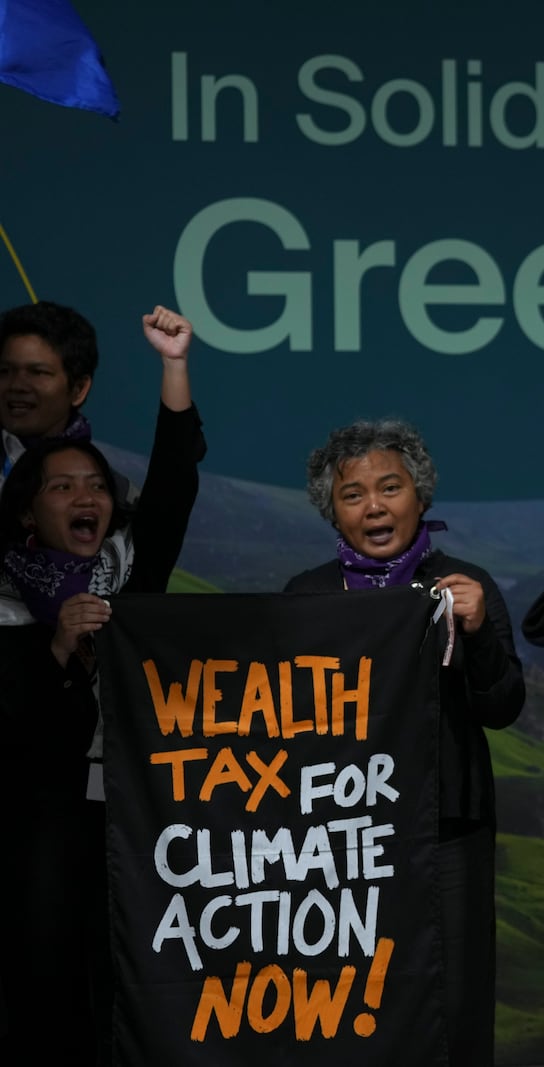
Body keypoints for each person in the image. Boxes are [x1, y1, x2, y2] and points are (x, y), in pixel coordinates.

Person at [284, 419, 525, 1066]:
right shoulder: (306, 596)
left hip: (447, 828)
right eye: (353, 494)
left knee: (455, 996)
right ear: (332, 512)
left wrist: (475, 633)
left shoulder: (464, 586)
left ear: (420, 496)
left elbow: (502, 706)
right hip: (337, 835)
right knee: (349, 994)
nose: (375, 506)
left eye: (390, 487)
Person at [0, 305, 203, 1063]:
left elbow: (176, 481)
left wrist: (174, 365)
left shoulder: (131, 573)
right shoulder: (12, 604)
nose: (84, 497)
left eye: (96, 486)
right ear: (25, 511)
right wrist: (57, 645)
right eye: (61, 488)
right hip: (32, 823)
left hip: (129, 819)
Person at [1, 300, 100, 489]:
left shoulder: (114, 489)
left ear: (79, 389)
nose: (17, 385)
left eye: (37, 372)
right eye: (5, 371)